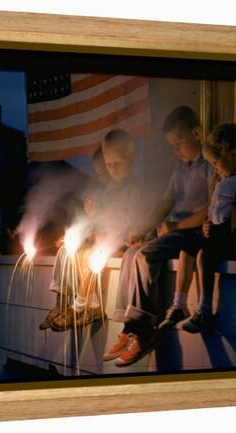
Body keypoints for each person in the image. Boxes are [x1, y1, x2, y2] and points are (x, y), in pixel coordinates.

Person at [103, 106, 215, 367]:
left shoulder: (209, 166)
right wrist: (143, 228)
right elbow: (166, 201)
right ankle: (128, 328)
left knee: (146, 254)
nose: (176, 151)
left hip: (193, 234)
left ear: (196, 133)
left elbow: (211, 208)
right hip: (176, 232)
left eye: (179, 143)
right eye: (172, 146)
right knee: (132, 252)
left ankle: (143, 331)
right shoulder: (180, 169)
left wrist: (176, 226)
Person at [49, 128, 148, 332]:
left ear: (131, 158)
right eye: (109, 165)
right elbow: (102, 218)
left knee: (93, 253)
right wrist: (94, 215)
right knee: (78, 248)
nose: (113, 170)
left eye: (117, 164)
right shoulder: (109, 188)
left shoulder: (136, 189)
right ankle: (90, 305)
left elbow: (132, 221)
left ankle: (79, 306)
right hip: (106, 239)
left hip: (122, 243)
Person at [178, 123, 236, 333]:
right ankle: (178, 304)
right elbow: (214, 209)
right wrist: (207, 224)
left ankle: (204, 308)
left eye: (216, 162)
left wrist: (221, 228)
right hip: (215, 233)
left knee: (204, 256)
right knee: (186, 250)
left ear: (234, 154)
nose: (215, 168)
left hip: (230, 237)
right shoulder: (220, 181)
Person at [38, 146, 111, 330]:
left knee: (88, 255)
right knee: (66, 249)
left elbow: (111, 224)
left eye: (104, 168)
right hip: (95, 238)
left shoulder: (116, 190)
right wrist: (72, 234)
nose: (101, 173)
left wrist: (96, 217)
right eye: (98, 169)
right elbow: (88, 223)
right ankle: (61, 303)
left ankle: (86, 306)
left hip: (108, 242)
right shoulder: (98, 191)